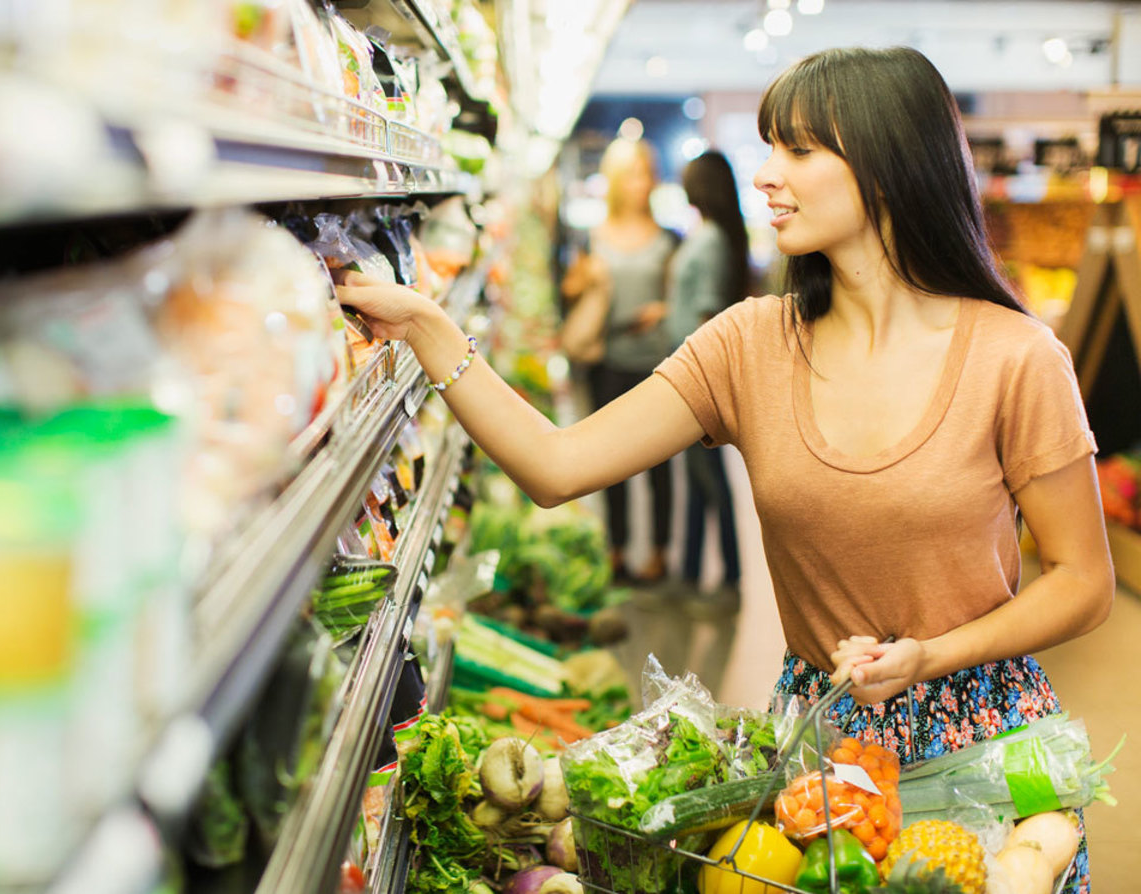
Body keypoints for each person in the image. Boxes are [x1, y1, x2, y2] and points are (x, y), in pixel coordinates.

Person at [339, 47, 1113, 892]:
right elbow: (556, 467)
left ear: (890, 166)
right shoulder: (749, 344)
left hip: (991, 765)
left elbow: (1082, 580)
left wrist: (932, 655)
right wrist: (424, 325)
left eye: (800, 151)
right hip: (823, 761)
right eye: (767, 148)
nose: (767, 176)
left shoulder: (1016, 357)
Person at [561, 137, 679, 584]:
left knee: (661, 465)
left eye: (646, 173)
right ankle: (617, 549)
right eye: (632, 173)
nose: (640, 183)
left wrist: (664, 311)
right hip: (609, 360)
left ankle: (660, 552)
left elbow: (679, 298)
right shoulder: (593, 237)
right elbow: (570, 290)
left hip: (660, 365)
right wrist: (585, 280)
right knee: (611, 462)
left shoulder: (668, 240)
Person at [667, 150, 749, 613]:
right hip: (689, 379)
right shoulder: (710, 235)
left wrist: (696, 377)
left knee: (712, 483)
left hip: (698, 384)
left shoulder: (713, 240)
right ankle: (692, 575)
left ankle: (731, 581)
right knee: (698, 485)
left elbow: (706, 311)